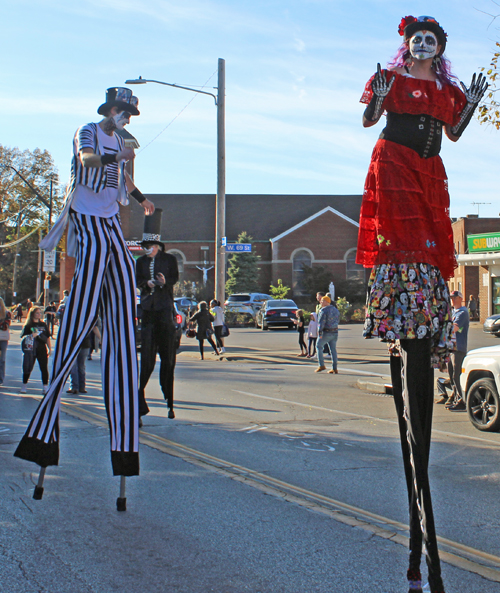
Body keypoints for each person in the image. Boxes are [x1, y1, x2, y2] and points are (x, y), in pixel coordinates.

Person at [356, 15, 487, 593]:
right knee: (406, 243)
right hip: (397, 167)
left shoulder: (445, 88)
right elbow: (367, 119)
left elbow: (454, 131)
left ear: (441, 48)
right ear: (407, 44)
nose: (423, 46)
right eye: (417, 39)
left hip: (430, 172)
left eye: (432, 40)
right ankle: (402, 307)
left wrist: (469, 110)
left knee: (435, 246)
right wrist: (377, 99)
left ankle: (426, 312)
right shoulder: (391, 77)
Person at [15, 87, 155, 482]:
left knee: (125, 278)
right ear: (109, 110)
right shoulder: (89, 131)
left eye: (129, 114)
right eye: (121, 111)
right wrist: (117, 154)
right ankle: (45, 433)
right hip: (86, 216)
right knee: (90, 277)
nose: (125, 118)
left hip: (109, 220)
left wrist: (143, 200)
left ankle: (127, 431)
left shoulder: (122, 142)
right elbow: (88, 160)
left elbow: (124, 180)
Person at [136, 210, 179, 423]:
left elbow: (174, 278)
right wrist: (148, 284)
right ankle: (139, 403)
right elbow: (138, 281)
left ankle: (169, 401)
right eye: (145, 247)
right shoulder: (140, 262)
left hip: (164, 310)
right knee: (146, 361)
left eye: (150, 246)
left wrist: (163, 282)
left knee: (168, 359)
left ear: (158, 246)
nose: (146, 250)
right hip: (148, 312)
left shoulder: (169, 260)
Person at [444, 290, 470, 411]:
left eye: (455, 298)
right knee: (451, 374)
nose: (452, 300)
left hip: (458, 348)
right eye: (451, 298)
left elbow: (454, 328)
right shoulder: (453, 312)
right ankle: (455, 398)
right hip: (451, 347)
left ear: (460, 298)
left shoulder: (463, 313)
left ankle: (461, 401)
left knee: (456, 374)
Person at [20, 307, 51, 394]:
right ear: (32, 314)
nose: (39, 314)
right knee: (28, 367)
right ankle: (24, 385)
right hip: (31, 349)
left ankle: (45, 387)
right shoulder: (29, 325)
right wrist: (31, 335)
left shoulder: (43, 324)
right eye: (37, 313)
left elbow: (47, 337)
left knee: (44, 368)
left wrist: (49, 348)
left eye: (40, 313)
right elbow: (23, 336)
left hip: (41, 348)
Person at [315, 296, 340, 373]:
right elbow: (338, 320)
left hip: (326, 332)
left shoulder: (323, 310)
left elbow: (321, 322)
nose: (321, 302)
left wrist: (319, 332)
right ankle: (334, 368)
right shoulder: (335, 310)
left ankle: (321, 365)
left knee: (318, 346)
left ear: (327, 302)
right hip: (335, 332)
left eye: (322, 300)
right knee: (333, 350)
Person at [67, 330, 94, 394]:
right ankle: (80, 387)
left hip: (75, 344)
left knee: (75, 366)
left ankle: (75, 387)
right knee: (79, 366)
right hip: (82, 344)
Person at [0, 297, 12, 386]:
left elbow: (5, 326)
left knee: (2, 359)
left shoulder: (7, 313)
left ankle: (1, 378)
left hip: (2, 338)